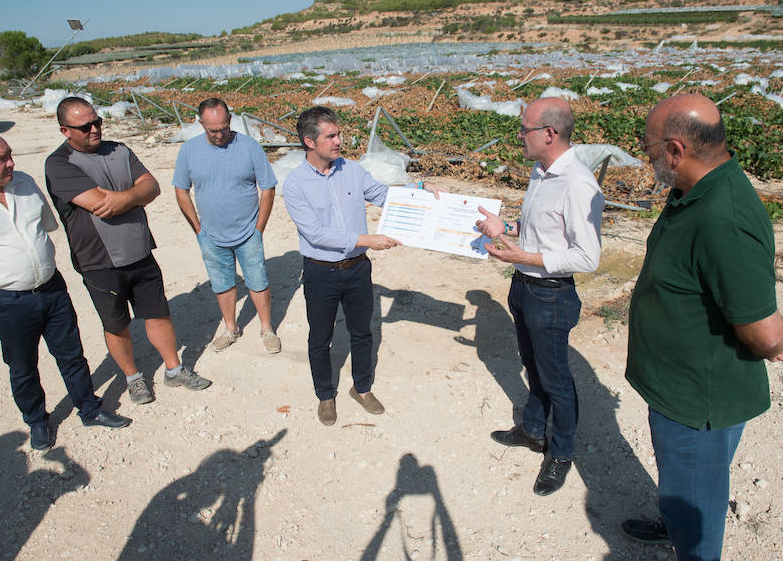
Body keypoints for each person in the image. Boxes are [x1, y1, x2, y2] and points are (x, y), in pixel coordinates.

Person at [620, 94, 783, 560]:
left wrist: (773, 335)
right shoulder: (692, 190)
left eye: (649, 146)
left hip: (696, 402)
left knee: (697, 509)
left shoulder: (725, 217)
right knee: (683, 486)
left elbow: (762, 335)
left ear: (676, 150)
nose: (646, 155)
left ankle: (689, 541)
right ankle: (673, 523)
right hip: (675, 388)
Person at [0, 130, 131, 451]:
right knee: (23, 365)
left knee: (71, 354)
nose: (12, 163)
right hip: (6, 301)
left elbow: (46, 227)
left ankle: (90, 409)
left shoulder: (25, 182)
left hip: (52, 288)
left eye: (11, 154)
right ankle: (37, 421)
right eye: (2, 159)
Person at [282, 106, 443, 426]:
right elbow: (316, 234)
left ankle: (362, 387)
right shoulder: (295, 184)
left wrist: (420, 191)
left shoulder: (352, 171)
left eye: (339, 133)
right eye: (331, 136)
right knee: (320, 338)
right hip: (321, 272)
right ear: (309, 142)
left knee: (362, 332)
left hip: (357, 269)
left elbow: (384, 196)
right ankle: (325, 395)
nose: (340, 140)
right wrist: (368, 239)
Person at [45, 97, 211, 406]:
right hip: (98, 261)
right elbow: (98, 203)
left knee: (158, 313)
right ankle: (134, 378)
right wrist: (135, 195)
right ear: (65, 130)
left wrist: (124, 198)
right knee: (116, 323)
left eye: (98, 121)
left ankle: (174, 369)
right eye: (86, 126)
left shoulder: (120, 150)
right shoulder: (59, 164)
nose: (95, 129)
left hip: (140, 250)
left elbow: (152, 186)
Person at [476, 98, 604, 496]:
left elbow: (588, 256)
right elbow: (542, 226)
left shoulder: (579, 184)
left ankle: (561, 453)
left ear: (549, 133)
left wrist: (525, 256)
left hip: (551, 295)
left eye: (524, 128)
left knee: (557, 380)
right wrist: (506, 226)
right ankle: (533, 430)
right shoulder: (540, 170)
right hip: (523, 286)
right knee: (532, 366)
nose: (519, 135)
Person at [173, 98, 280, 354]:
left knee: (258, 279)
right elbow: (181, 190)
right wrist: (198, 229)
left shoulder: (250, 147)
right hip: (210, 234)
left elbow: (268, 187)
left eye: (223, 127)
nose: (219, 134)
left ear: (230, 120)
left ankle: (267, 328)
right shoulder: (189, 151)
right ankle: (231, 328)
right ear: (201, 124)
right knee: (222, 283)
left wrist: (259, 228)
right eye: (212, 130)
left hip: (248, 232)